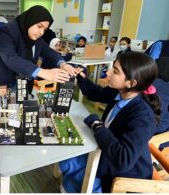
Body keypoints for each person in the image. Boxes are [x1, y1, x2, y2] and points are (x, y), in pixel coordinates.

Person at [59, 52, 161, 193]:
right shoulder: (120, 92)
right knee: (66, 159)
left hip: (123, 176)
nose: (108, 72)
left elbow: (122, 159)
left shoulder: (142, 117)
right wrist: (81, 77)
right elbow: (96, 93)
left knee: (72, 168)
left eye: (115, 71)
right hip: (107, 153)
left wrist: (98, 126)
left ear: (131, 83)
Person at [0, 5, 78, 92]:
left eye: (45, 29)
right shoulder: (7, 31)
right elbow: (10, 58)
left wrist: (63, 64)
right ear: (31, 20)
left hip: (17, 85)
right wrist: (43, 72)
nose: (41, 32)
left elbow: (49, 52)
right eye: (39, 26)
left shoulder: (36, 38)